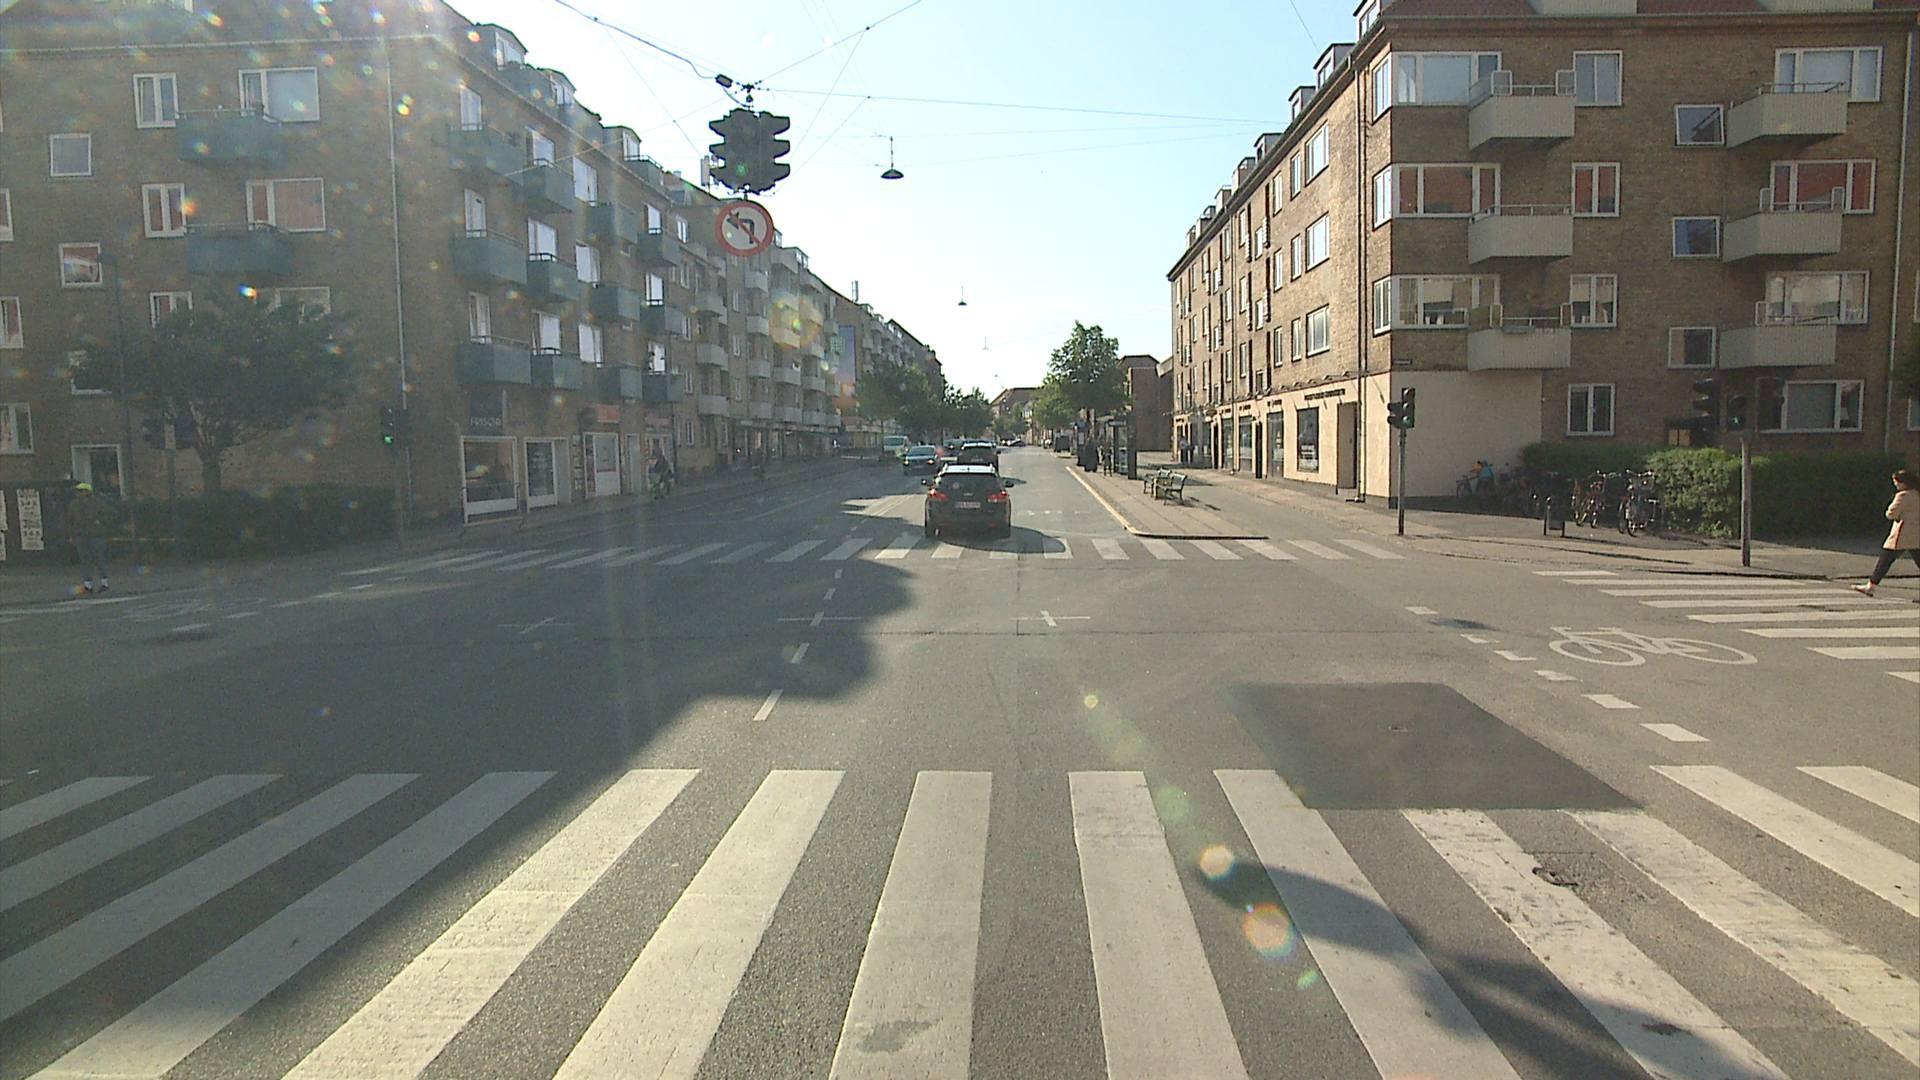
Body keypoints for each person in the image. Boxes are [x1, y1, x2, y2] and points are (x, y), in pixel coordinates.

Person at [1852, 468, 1919, 598]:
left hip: (1902, 533)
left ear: (1904, 483)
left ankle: (1870, 587)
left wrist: (1891, 512)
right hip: (1916, 533)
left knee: (1885, 560)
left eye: (1897, 482)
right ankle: (1871, 586)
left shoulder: (1903, 496)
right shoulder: (1917, 494)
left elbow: (1891, 513)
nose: (1896, 485)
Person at [65, 482, 116, 594]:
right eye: (77, 491)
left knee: (99, 560)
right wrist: (72, 534)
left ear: (87, 492)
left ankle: (104, 583)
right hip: (80, 535)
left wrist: (100, 523)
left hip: (96, 535)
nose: (78, 493)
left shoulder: (98, 503)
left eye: (81, 491)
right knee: (84, 561)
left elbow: (110, 514)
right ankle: (88, 585)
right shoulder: (73, 504)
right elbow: (70, 520)